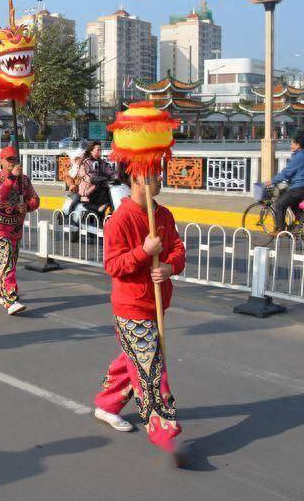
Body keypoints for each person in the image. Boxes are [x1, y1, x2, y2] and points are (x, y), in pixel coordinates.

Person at [92, 168, 186, 465]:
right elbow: (113, 265)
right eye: (155, 176)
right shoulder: (120, 219)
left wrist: (170, 267)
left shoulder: (165, 215)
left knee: (134, 357)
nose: (161, 180)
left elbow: (178, 249)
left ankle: (107, 404)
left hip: (156, 302)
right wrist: (144, 252)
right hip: (130, 305)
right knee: (150, 367)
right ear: (137, 181)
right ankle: (163, 430)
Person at [0, 146, 40, 315]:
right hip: (0, 229)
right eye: (8, 160)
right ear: (1, 161)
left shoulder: (24, 180)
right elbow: (1, 195)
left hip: (16, 228)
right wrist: (12, 178)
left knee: (7, 262)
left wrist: (28, 206)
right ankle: (11, 300)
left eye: (14, 159)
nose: (12, 163)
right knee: (7, 265)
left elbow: (35, 199)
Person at [268, 134, 304, 236]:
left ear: (298, 145)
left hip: (300, 188)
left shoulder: (298, 157)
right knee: (294, 204)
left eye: (292, 144)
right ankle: (302, 225)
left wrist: (272, 181)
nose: (291, 146)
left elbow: (286, 173)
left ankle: (280, 230)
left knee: (280, 203)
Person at [77, 141, 116, 213]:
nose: (100, 151)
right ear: (91, 151)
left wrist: (116, 177)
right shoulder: (86, 162)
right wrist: (94, 179)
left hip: (100, 190)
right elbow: (85, 175)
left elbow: (110, 172)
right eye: (98, 150)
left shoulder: (102, 163)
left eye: (101, 150)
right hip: (89, 192)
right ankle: (98, 209)